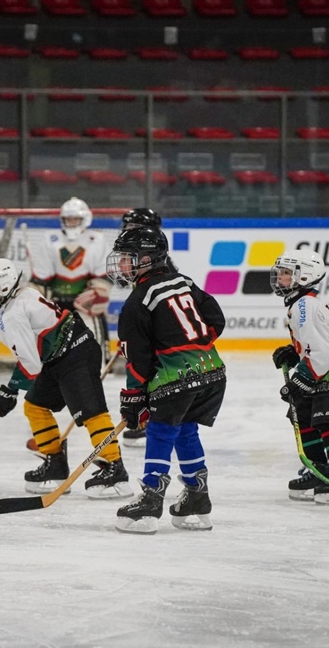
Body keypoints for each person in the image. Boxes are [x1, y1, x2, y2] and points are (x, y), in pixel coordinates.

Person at [0, 257, 131, 499]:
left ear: (3, 286)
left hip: (75, 354)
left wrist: (10, 390)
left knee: (91, 413)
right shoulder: (23, 295)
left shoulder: (13, 315)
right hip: (62, 356)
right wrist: (12, 389)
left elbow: (31, 363)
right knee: (35, 406)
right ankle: (55, 465)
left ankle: (115, 469)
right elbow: (35, 357)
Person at [107, 226, 226, 534]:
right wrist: (194, 349)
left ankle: (150, 498)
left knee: (160, 430)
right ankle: (197, 497)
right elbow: (216, 319)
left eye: (126, 258)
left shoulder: (137, 301)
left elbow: (140, 359)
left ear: (146, 260)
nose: (121, 265)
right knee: (185, 429)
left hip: (177, 377)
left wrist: (134, 396)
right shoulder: (183, 281)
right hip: (212, 371)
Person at [270, 249, 329, 505]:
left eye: (287, 273)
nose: (280, 278)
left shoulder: (305, 305)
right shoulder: (302, 303)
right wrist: (294, 353)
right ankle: (320, 471)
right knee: (302, 416)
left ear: (304, 277)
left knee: (327, 422)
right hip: (326, 368)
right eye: (280, 273)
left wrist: (300, 380)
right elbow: (315, 345)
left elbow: (321, 355)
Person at [28, 197, 113, 366]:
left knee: (95, 353)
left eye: (76, 219)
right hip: (56, 304)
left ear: (85, 219)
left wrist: (97, 293)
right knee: (49, 356)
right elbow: (41, 278)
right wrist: (34, 298)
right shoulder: (50, 239)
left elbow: (102, 276)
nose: (72, 222)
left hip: (85, 306)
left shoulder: (96, 239)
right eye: (68, 219)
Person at [117, 207, 173, 448]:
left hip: (160, 333)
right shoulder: (134, 255)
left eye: (133, 228)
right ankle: (146, 418)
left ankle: (150, 420)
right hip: (147, 325)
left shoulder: (160, 263)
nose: (127, 232)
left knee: (150, 374)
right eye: (126, 227)